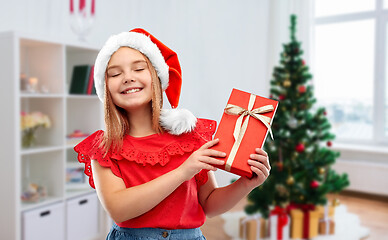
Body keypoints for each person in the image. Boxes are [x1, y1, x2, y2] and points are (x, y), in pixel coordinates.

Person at [74, 28, 271, 240]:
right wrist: (183, 171)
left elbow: (209, 205)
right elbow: (119, 209)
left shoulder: (190, 137)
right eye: (115, 73)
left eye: (139, 68)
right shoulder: (104, 147)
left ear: (158, 77)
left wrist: (246, 184)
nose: (128, 78)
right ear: (106, 87)